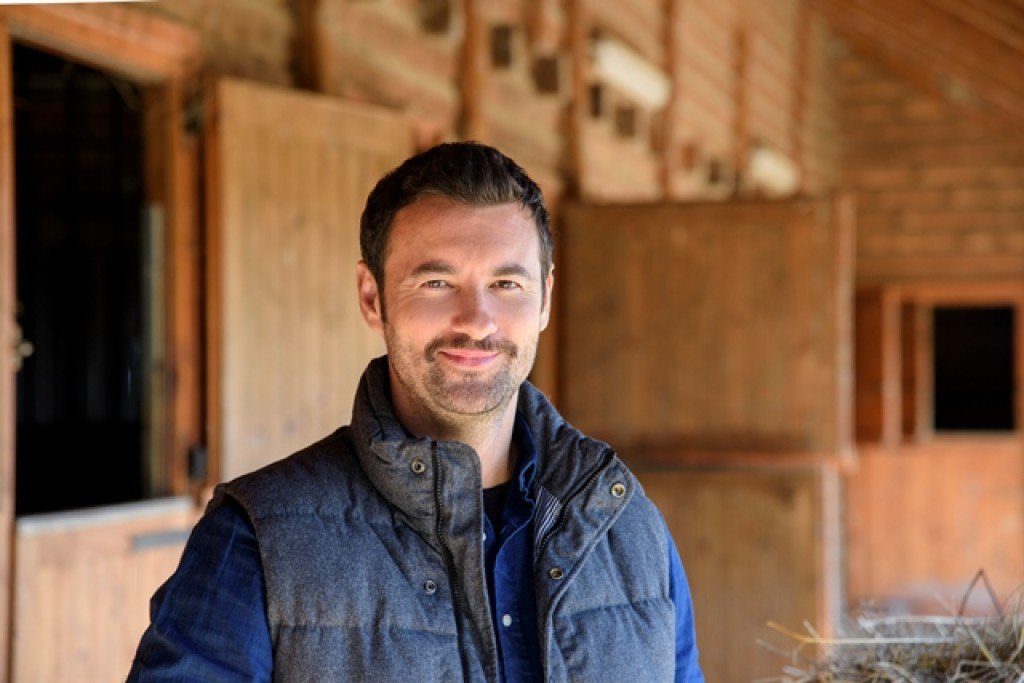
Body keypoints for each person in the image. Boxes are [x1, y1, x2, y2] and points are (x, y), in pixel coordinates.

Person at [129, 142, 703, 682]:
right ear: (372, 297)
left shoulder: (626, 524)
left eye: (507, 283)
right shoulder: (258, 537)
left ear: (546, 298)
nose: (476, 320)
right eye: (437, 282)